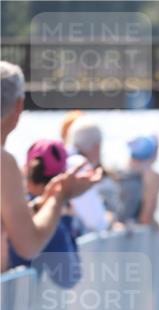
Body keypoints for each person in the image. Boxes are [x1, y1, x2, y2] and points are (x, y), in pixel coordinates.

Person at [1, 61, 100, 273]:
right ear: (19, 106)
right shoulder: (4, 164)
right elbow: (28, 245)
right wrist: (59, 197)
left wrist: (42, 202)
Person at [7, 139, 81, 289]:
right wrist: (67, 219)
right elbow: (68, 277)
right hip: (16, 308)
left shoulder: (10, 209)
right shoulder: (53, 223)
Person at [116, 135, 159, 226]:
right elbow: (145, 220)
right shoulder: (139, 181)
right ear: (153, 155)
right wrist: (153, 189)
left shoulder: (117, 175)